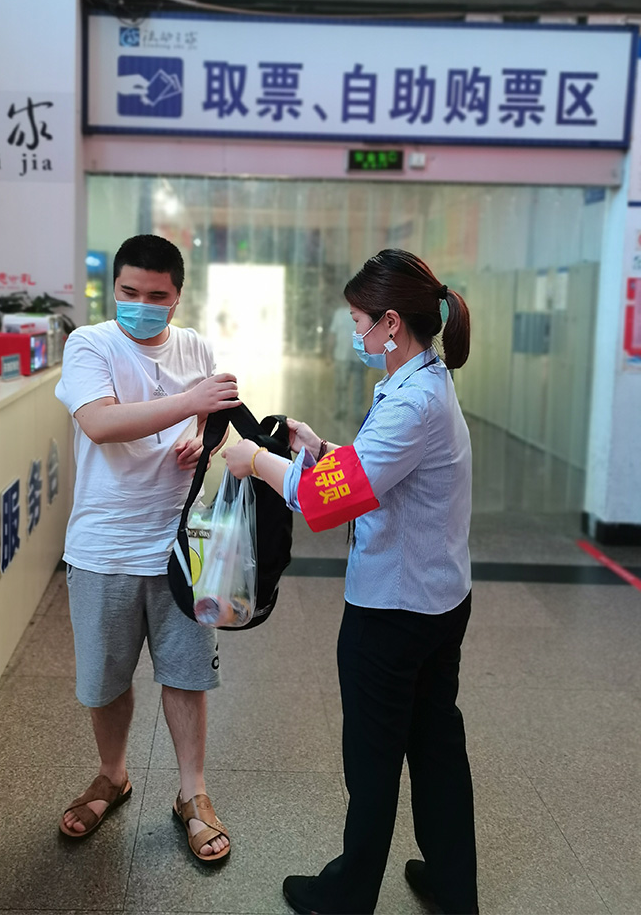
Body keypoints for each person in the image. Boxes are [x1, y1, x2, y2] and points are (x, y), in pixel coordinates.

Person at [223, 249, 478, 914]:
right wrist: (320, 450)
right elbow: (378, 474)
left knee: (372, 759)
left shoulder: (411, 402)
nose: (354, 333)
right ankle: (453, 886)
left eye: (359, 321)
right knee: (435, 744)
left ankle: (347, 895)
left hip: (393, 612)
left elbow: (323, 503)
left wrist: (256, 462)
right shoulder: (427, 381)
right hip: (438, 599)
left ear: (391, 323)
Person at [55, 233, 240, 863]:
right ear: (114, 289)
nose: (141, 304)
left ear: (177, 296)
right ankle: (112, 775)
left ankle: (193, 794)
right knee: (105, 680)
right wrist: (190, 402)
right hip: (104, 545)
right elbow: (99, 423)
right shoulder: (90, 344)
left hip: (184, 542)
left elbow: (209, 423)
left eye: (156, 296)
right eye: (129, 292)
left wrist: (201, 437)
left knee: (187, 676)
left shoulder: (194, 347)